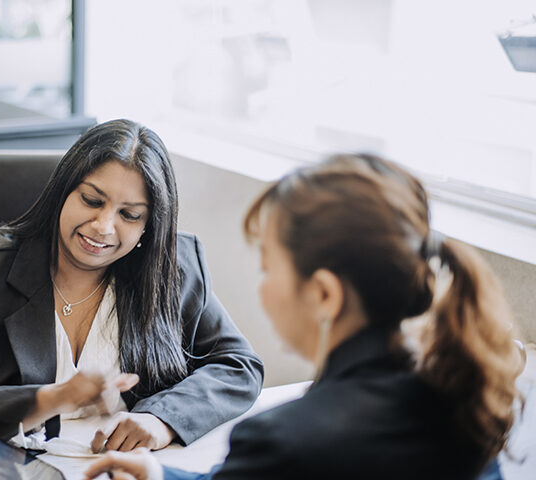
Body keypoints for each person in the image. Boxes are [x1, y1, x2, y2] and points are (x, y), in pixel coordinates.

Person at [85, 153, 523, 480]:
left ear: (324, 294)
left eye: (270, 268)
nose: (263, 288)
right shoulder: (462, 399)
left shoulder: (283, 443)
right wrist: (160, 474)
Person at [0, 119, 264, 479]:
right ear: (63, 190)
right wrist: (51, 399)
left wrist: (160, 420)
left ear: (149, 225)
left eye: (129, 215)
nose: (103, 227)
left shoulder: (172, 268)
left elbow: (238, 365)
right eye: (92, 200)